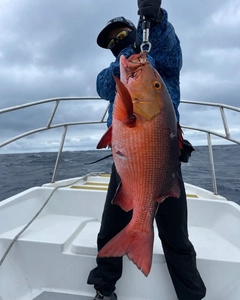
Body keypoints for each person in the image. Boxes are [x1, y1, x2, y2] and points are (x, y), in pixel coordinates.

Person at [87, 1, 207, 299]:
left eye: (123, 34)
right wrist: (127, 57)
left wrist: (156, 21)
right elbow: (104, 85)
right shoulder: (118, 73)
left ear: (136, 31)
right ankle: (105, 289)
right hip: (128, 161)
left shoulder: (160, 64)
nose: (119, 42)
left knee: (176, 236)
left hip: (162, 159)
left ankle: (191, 295)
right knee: (109, 228)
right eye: (113, 42)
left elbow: (168, 46)